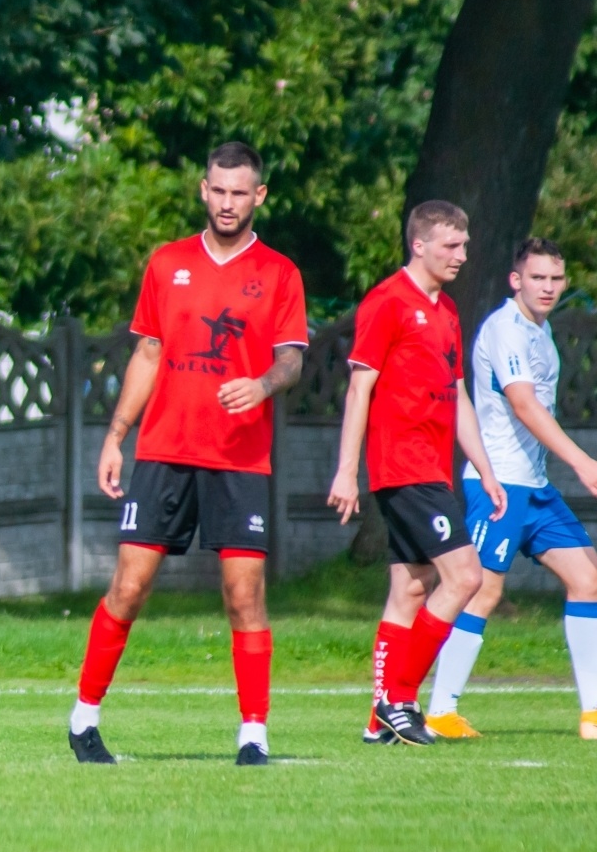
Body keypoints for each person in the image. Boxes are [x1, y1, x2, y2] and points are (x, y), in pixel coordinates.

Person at [70, 141, 307, 767]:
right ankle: (84, 720)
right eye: (218, 190)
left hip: (239, 459)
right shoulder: (166, 263)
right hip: (165, 451)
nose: (228, 203)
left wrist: (260, 385)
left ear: (259, 197)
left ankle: (253, 735)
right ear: (203, 189)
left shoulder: (280, 273)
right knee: (129, 585)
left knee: (243, 595)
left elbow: (292, 358)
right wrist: (116, 436)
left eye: (240, 193)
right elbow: (146, 356)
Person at [328, 200, 506, 747]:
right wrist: (346, 471)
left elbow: (456, 396)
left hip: (433, 468)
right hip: (402, 467)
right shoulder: (386, 302)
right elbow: (360, 387)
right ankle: (399, 700)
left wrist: (485, 469)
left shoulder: (448, 311)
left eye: (465, 244)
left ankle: (377, 721)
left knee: (410, 588)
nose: (462, 254)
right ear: (419, 245)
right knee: (465, 578)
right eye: (451, 245)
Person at [424, 238, 597, 740]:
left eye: (555, 279)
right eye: (537, 277)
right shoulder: (505, 330)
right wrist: (583, 461)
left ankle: (591, 714)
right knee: (481, 589)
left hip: (535, 486)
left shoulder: (542, 334)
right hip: (497, 482)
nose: (547, 287)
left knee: (588, 579)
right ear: (515, 280)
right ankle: (439, 709)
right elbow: (523, 404)